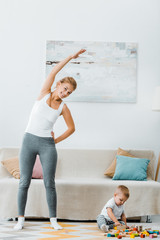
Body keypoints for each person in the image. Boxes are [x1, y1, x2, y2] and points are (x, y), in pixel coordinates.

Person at [14, 49, 86, 230]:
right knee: (24, 181)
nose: (65, 93)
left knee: (49, 183)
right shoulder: (45, 92)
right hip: (29, 140)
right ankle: (21, 219)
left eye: (68, 93)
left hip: (47, 144)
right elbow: (53, 71)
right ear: (59, 84)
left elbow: (72, 128)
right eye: (65, 89)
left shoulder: (63, 107)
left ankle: (53, 219)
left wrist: (56, 141)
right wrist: (70, 57)